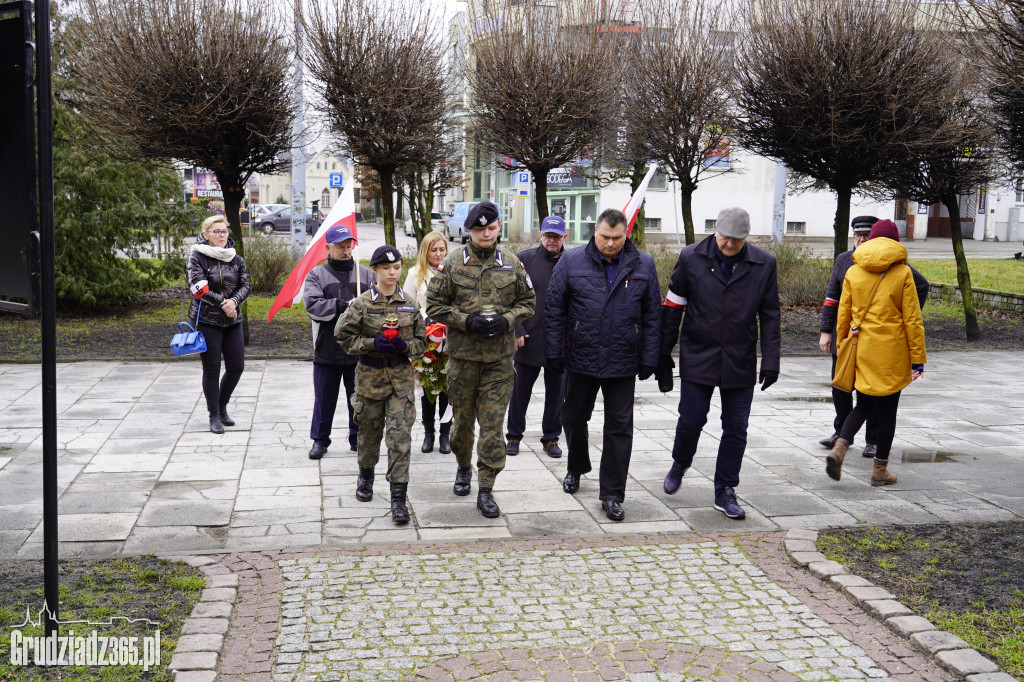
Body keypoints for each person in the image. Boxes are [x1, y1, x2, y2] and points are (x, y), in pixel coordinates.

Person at [657, 207, 781, 520]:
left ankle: (725, 489)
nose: (728, 245)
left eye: (736, 241)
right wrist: (661, 355)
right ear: (716, 231)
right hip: (699, 353)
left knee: (736, 427)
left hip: (739, 357)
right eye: (725, 238)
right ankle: (680, 462)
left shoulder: (763, 263)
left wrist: (771, 359)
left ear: (746, 238)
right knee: (691, 420)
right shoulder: (691, 257)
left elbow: (769, 313)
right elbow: (673, 307)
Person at [544, 208, 661, 522]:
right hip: (580, 356)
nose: (610, 243)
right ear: (594, 232)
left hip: (623, 358)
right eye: (604, 237)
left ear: (626, 235)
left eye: (617, 238)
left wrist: (651, 356)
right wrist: (553, 353)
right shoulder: (571, 261)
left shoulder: (644, 264)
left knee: (619, 429)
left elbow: (652, 316)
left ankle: (612, 494)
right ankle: (576, 466)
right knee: (571, 416)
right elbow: (554, 310)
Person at [426, 201, 536, 519]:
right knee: (462, 427)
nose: (486, 234)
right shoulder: (452, 264)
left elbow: (528, 301)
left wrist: (508, 319)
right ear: (469, 231)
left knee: (492, 427)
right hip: (463, 359)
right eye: (479, 229)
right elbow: (434, 303)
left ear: (499, 226)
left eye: (491, 228)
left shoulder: (512, 264)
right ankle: (463, 466)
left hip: (500, 361)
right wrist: (464, 320)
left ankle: (486, 488)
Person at [819, 216, 930, 456]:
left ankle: (853, 443)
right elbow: (912, 320)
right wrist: (918, 358)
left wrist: (843, 342)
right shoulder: (854, 263)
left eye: (865, 235)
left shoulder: (873, 269)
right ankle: (878, 465)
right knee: (877, 402)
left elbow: (844, 312)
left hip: (859, 342)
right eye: (857, 235)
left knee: (867, 401)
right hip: (882, 346)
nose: (860, 239)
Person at [335, 245, 427, 524]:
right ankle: (365, 476)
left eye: (397, 267)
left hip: (400, 382)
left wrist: (405, 345)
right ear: (374, 270)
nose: (392, 272)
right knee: (369, 437)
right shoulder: (361, 304)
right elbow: (342, 337)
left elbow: (422, 344)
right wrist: (371, 343)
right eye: (386, 268)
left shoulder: (410, 304)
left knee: (399, 440)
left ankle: (399, 499)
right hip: (369, 381)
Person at [302, 224, 376, 460]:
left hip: (359, 349)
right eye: (340, 247)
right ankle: (320, 440)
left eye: (349, 246)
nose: (346, 251)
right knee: (324, 399)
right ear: (328, 248)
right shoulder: (316, 275)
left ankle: (358, 438)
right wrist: (342, 305)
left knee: (359, 398)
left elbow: (378, 305)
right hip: (327, 349)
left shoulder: (366, 274)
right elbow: (313, 307)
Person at [505, 216, 568, 458]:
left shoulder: (573, 261)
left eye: (557, 236)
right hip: (528, 338)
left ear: (565, 237)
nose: (552, 240)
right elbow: (510, 297)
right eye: (548, 236)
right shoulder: (524, 260)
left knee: (556, 393)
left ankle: (551, 438)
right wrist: (517, 329)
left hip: (559, 342)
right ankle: (513, 435)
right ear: (541, 236)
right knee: (520, 391)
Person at [186, 215, 251, 434]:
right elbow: (198, 288)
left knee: (236, 367)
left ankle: (222, 406)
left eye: (224, 231)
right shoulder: (197, 257)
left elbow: (246, 286)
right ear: (206, 234)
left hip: (232, 320)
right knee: (212, 368)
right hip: (207, 320)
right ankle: (214, 415)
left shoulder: (236, 258)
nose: (222, 235)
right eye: (217, 231)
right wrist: (222, 303)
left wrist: (233, 302)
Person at [403, 231, 451, 454]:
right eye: (434, 250)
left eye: (442, 249)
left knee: (447, 389)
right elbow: (407, 306)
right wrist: (423, 323)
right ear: (426, 251)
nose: (439, 254)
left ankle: (445, 434)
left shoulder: (453, 271)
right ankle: (429, 434)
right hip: (426, 339)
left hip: (450, 338)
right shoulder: (415, 273)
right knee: (429, 387)